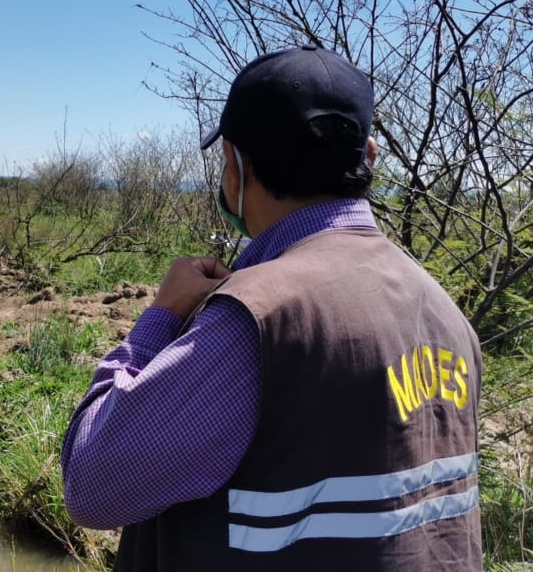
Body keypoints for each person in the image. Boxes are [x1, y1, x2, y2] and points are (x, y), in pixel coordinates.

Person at [60, 45, 482, 571]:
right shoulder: (444, 311)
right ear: (369, 156)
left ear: (234, 167)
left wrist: (160, 320)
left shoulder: (256, 318)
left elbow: (93, 485)